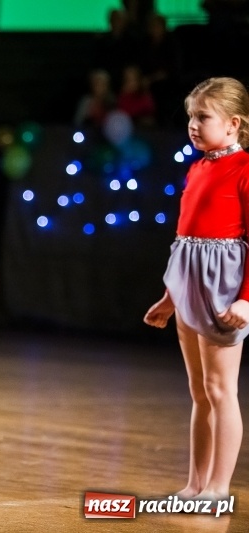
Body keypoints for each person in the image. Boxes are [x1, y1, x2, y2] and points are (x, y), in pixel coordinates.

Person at [144, 77, 249, 503]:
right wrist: (171, 296)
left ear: (233, 123)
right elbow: (185, 242)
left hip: (223, 288)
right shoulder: (198, 167)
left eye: (203, 116)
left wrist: (246, 299)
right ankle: (195, 484)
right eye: (191, 116)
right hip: (188, 285)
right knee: (200, 392)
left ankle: (219, 488)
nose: (193, 124)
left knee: (221, 390)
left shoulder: (244, 169)